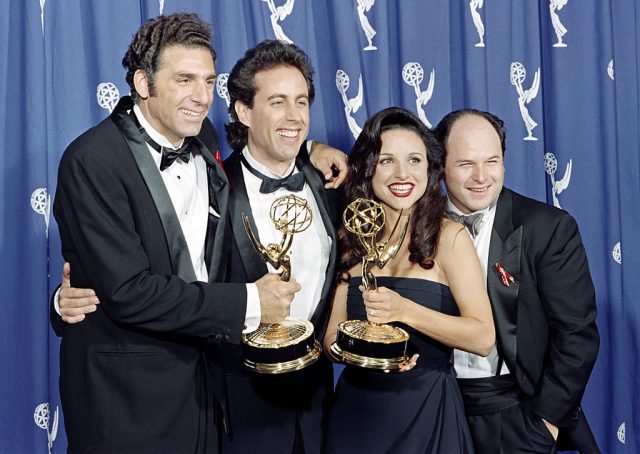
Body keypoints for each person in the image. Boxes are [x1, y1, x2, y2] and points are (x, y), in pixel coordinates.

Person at [52, 13, 304, 453]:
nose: (201, 96)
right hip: (126, 401)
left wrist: (314, 150)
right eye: (184, 79)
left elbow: (259, 149)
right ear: (143, 84)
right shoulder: (91, 160)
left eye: (208, 81)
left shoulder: (202, 135)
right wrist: (250, 301)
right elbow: (129, 290)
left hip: (203, 389)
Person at [323, 107, 495, 453]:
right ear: (367, 168)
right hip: (357, 417)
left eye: (414, 160)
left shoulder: (450, 238)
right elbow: (330, 341)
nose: (402, 173)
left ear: (430, 170)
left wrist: (404, 311)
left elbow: (482, 337)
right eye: (387, 161)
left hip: (427, 414)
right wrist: (369, 355)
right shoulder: (351, 238)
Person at [433, 109, 600, 453]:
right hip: (435, 406)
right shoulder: (415, 226)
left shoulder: (548, 228)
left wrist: (546, 424)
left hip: (515, 411)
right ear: (441, 166)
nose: (481, 176)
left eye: (492, 161)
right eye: (466, 164)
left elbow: (576, 335)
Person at [219, 39, 340, 454]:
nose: (294, 117)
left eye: (301, 101)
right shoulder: (212, 187)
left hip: (317, 405)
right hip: (237, 406)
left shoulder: (330, 184)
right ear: (243, 111)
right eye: (277, 102)